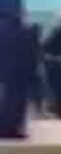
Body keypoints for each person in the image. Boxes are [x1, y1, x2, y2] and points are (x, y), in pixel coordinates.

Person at [0, 8, 37, 138]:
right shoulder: (22, 32)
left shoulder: (4, 30)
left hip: (7, 71)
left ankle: (6, 127)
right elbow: (29, 53)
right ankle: (10, 129)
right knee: (15, 102)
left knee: (7, 100)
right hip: (19, 72)